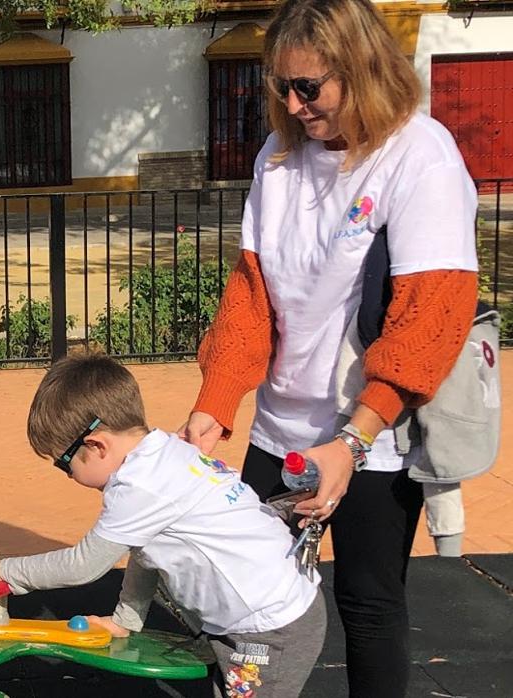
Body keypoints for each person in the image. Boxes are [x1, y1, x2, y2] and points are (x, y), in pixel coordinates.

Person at [178, 0, 479, 695]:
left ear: (362, 70)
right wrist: (215, 405)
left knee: (367, 605)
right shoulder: (278, 157)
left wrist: (355, 440)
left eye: (308, 87)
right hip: (282, 427)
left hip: (374, 434)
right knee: (243, 599)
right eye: (280, 86)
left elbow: (428, 320)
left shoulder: (420, 156)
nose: (292, 102)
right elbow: (252, 294)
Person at [0, 354, 327, 698]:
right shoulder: (164, 453)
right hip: (266, 611)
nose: (70, 477)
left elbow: (82, 565)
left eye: (65, 465)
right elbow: (145, 549)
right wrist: (127, 618)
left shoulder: (140, 486)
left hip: (268, 627)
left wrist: (7, 570)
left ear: (96, 445)